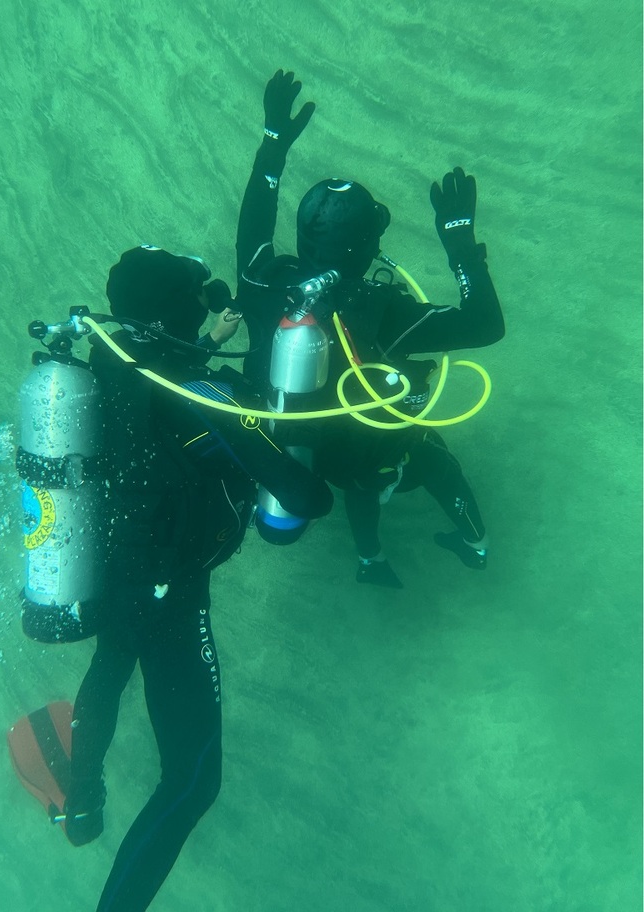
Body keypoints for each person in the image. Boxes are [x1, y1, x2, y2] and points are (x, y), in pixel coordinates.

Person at [64, 244, 333, 912]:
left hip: (108, 568)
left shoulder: (106, 364)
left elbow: (159, 381)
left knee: (111, 662)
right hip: (171, 596)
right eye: (195, 300)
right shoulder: (204, 396)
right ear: (172, 316)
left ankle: (82, 801)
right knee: (192, 783)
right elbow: (305, 497)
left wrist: (206, 340)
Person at [235, 70, 505, 587]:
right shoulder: (387, 313)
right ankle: (473, 547)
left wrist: (273, 144)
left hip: (300, 454)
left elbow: (253, 225)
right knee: (431, 461)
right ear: (369, 247)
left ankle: (370, 560)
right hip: (366, 456)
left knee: (363, 482)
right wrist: (461, 246)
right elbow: (485, 325)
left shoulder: (264, 282)